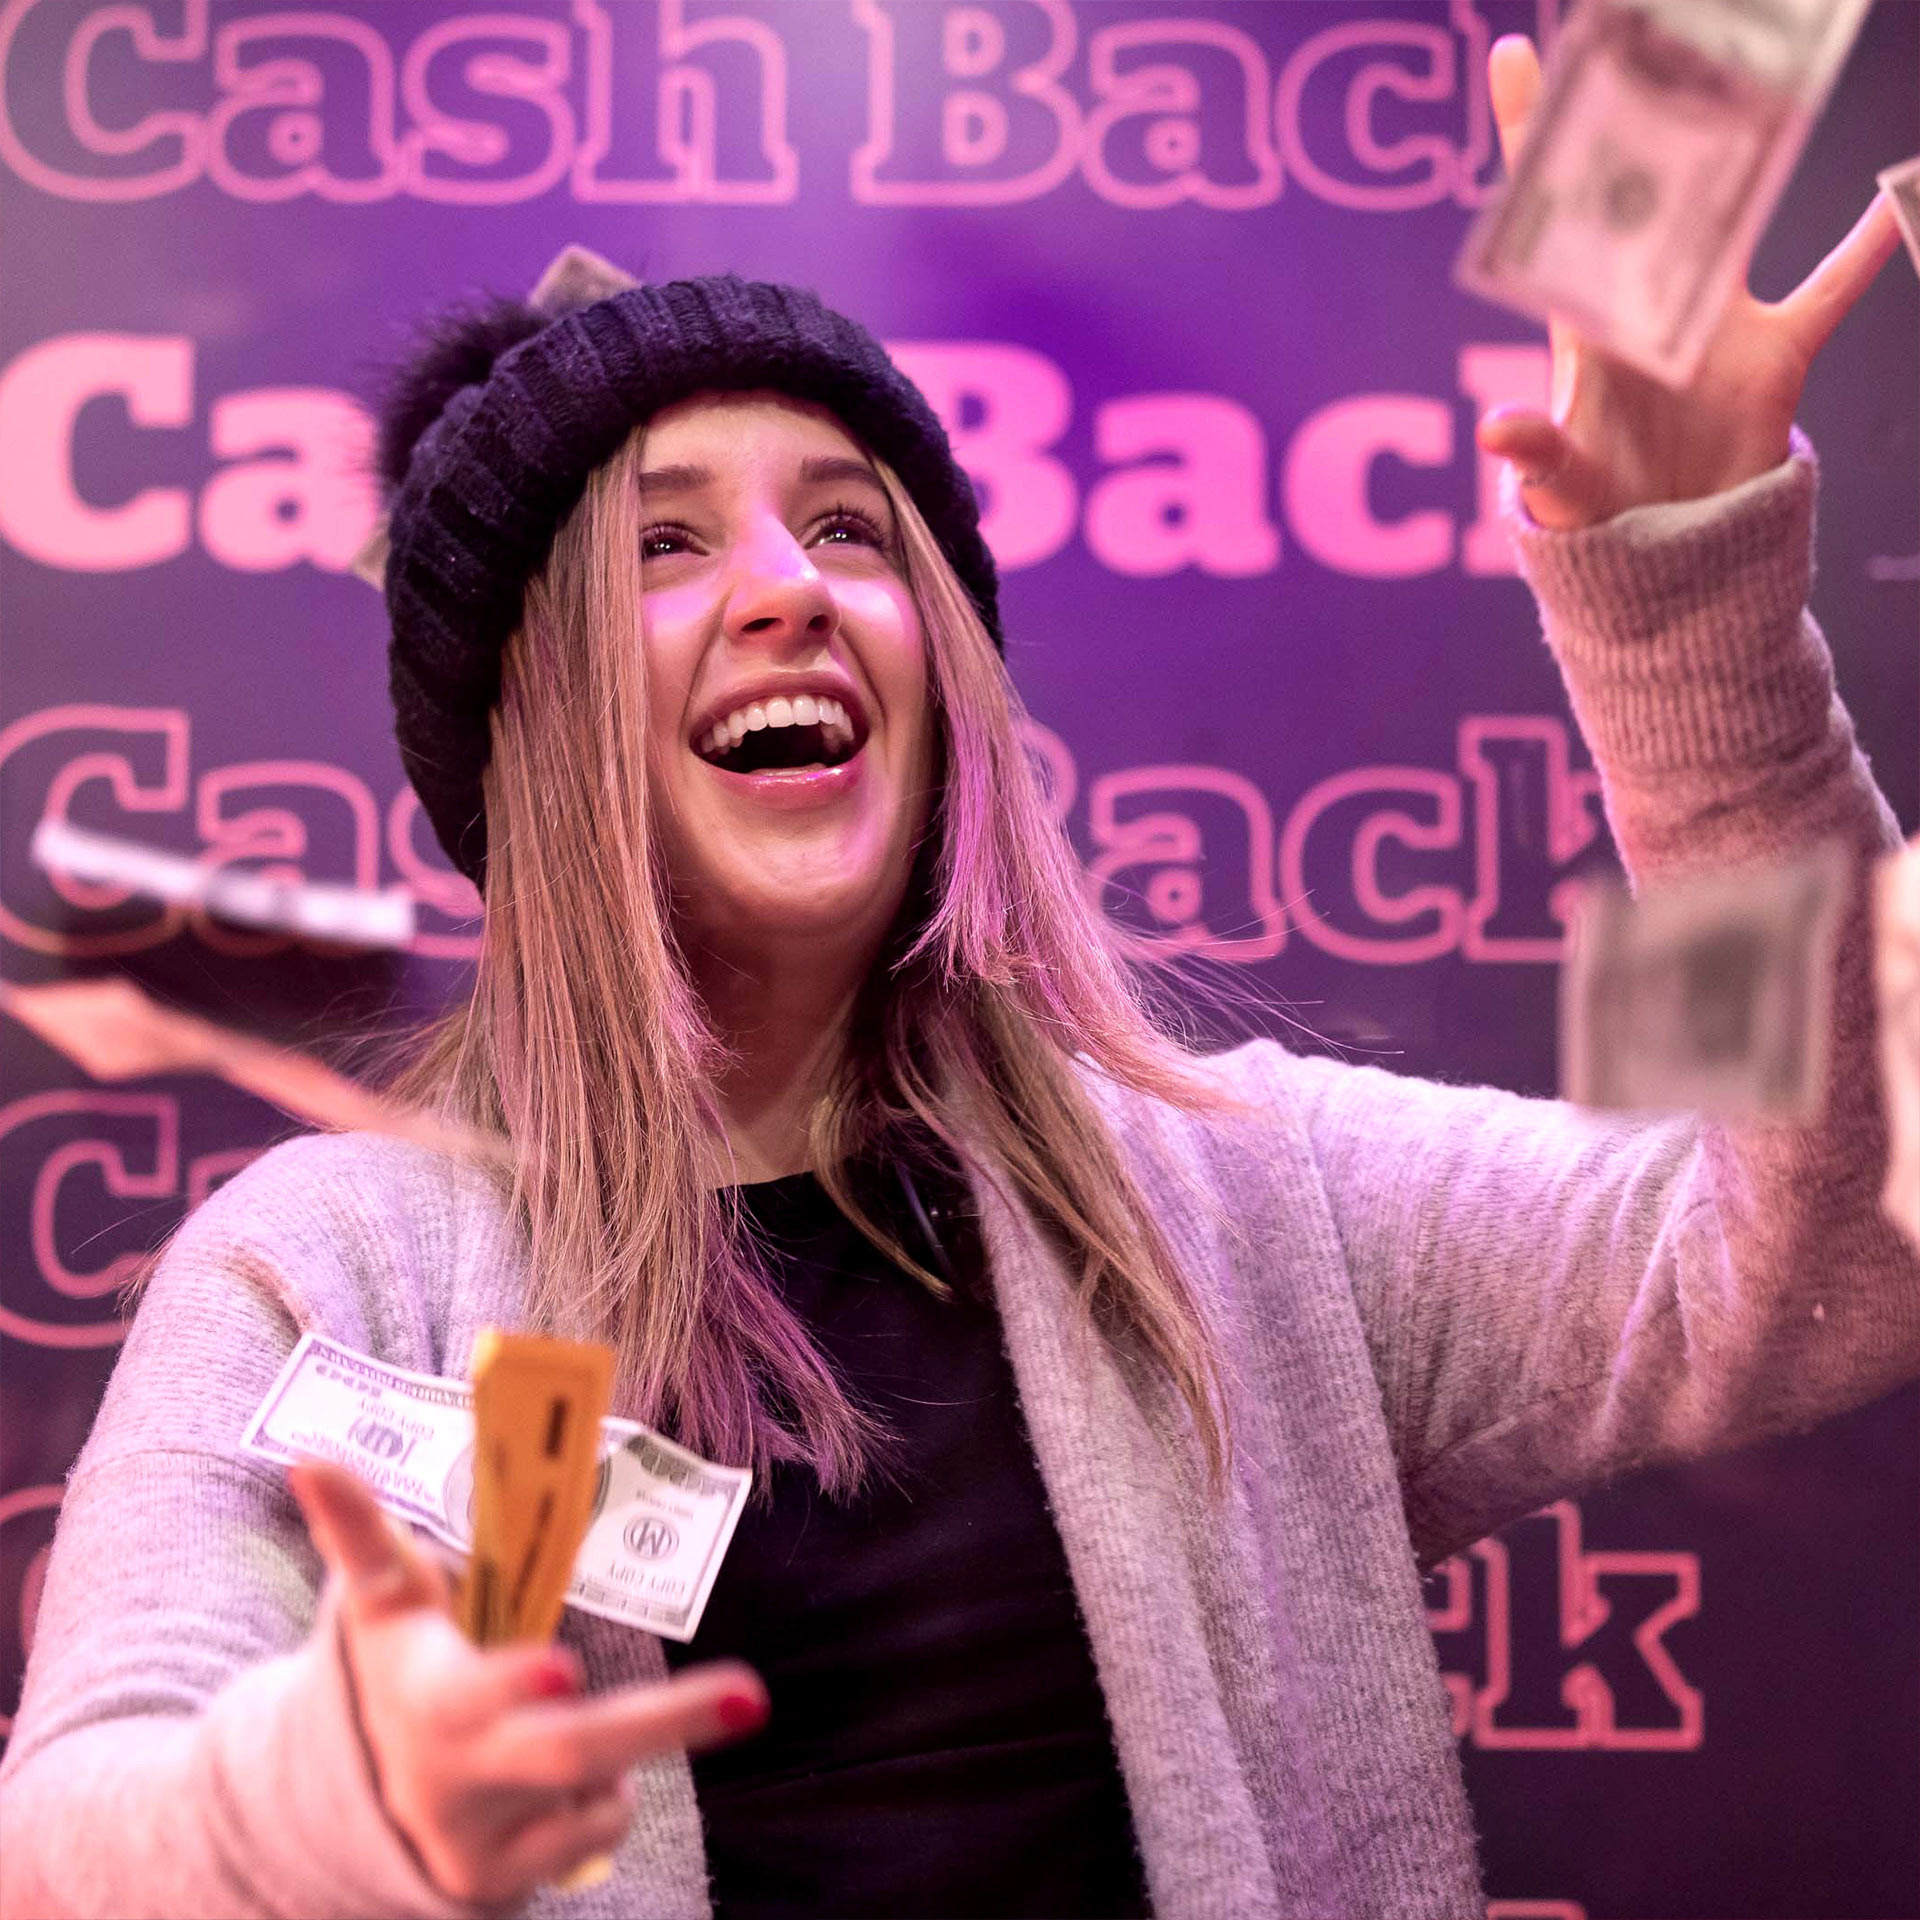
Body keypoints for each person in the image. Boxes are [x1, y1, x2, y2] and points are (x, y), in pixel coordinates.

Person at [3, 37, 1917, 1920]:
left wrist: (1688, 590)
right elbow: (69, 1831)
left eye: (851, 527)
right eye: (664, 544)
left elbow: (1820, 1246)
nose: (792, 588)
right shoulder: (330, 1270)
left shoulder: (1243, 1207)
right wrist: (322, 1802)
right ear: (526, 733)